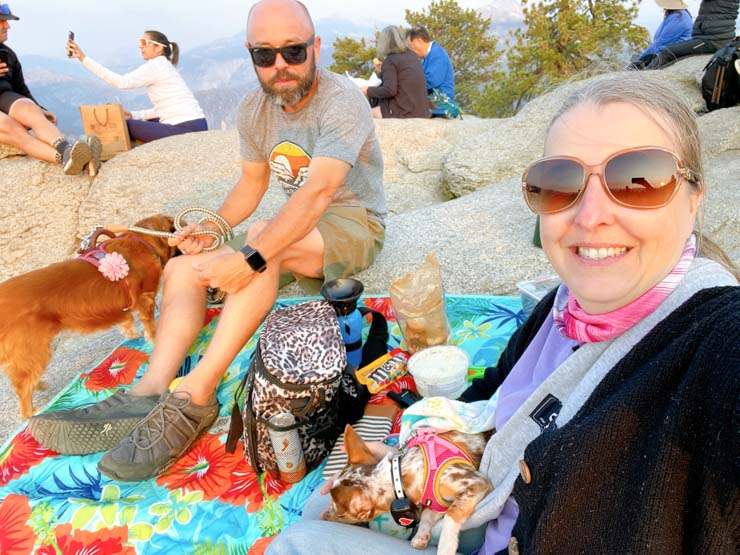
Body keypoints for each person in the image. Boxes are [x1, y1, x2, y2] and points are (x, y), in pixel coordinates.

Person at [266, 72, 739, 554]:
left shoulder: (714, 341)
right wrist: (411, 460)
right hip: (485, 491)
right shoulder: (561, 310)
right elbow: (492, 395)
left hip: (508, 527)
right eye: (560, 183)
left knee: (297, 543)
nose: (590, 214)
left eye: (638, 180)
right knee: (322, 507)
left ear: (695, 196)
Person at [28, 0, 386, 483]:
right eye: (265, 55)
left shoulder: (341, 99)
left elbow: (320, 191)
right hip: (294, 225)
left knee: (260, 246)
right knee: (180, 267)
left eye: (294, 51)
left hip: (353, 222)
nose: (280, 65)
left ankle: (195, 395)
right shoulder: (254, 109)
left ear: (315, 47)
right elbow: (251, 185)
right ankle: (150, 390)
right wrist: (212, 229)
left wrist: (250, 255)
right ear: (251, 54)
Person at [0, 3, 98, 175]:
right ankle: (71, 159)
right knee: (13, 129)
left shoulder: (8, 54)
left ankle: (69, 153)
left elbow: (21, 89)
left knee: (30, 108)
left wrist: (40, 109)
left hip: (4, 97)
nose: (7, 26)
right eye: (1, 22)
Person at [67, 30, 207, 143]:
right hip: (196, 124)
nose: (140, 46)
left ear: (158, 48)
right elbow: (166, 109)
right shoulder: (163, 65)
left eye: (144, 42)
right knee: (137, 121)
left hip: (186, 128)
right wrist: (134, 115)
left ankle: (95, 150)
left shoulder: (156, 65)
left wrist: (83, 58)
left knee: (122, 126)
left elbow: (121, 82)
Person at [645, 0, 739, 69]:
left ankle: (645, 80)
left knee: (667, 52)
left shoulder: (680, 17)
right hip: (710, 37)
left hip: (712, 40)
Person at [362, 26, 430, 119]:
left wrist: (367, 90)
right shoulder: (412, 56)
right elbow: (403, 76)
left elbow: (389, 90)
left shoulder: (390, 61)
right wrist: (384, 70)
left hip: (404, 112)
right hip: (421, 110)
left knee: (364, 114)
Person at [405, 25, 455, 118]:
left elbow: (431, 81)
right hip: (432, 100)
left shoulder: (437, 54)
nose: (410, 50)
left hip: (441, 103)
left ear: (419, 41)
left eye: (411, 46)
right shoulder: (428, 55)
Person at [628, 0, 693, 69]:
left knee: (637, 65)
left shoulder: (679, 18)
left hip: (670, 54)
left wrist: (640, 59)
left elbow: (661, 44)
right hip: (667, 51)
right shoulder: (676, 15)